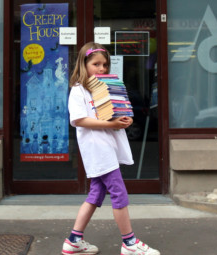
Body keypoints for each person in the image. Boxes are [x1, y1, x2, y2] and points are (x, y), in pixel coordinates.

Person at [62, 42, 160, 255]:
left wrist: (122, 119)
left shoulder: (103, 87)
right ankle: (129, 243)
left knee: (96, 194)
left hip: (106, 146)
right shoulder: (79, 90)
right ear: (83, 64)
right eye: (96, 64)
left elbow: (107, 115)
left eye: (105, 64)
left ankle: (73, 240)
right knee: (119, 192)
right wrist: (112, 125)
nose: (102, 69)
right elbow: (79, 120)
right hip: (97, 149)